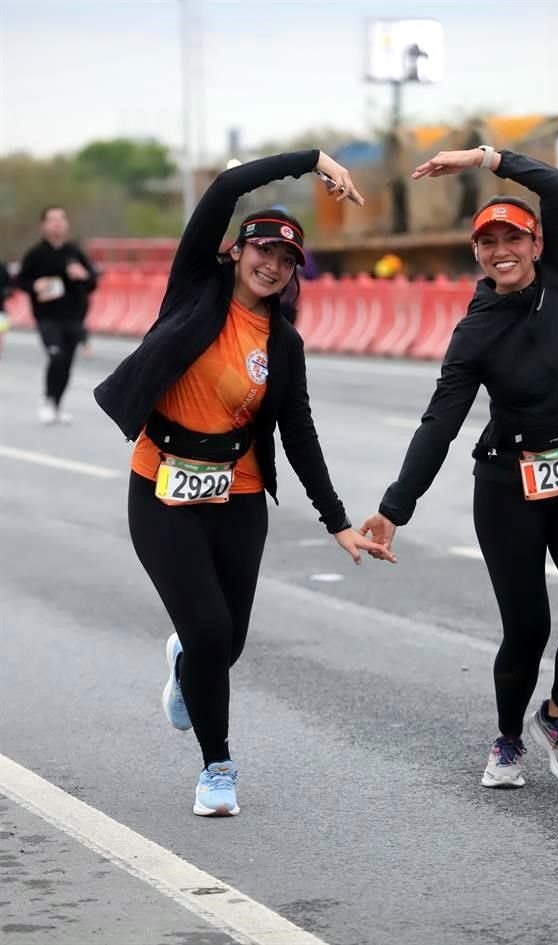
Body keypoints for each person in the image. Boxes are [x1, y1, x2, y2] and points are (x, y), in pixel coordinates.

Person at [94, 149, 396, 818]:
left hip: (239, 494)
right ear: (237, 251)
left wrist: (337, 520)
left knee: (224, 643)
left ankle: (184, 666)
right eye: (264, 249)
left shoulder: (282, 343)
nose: (274, 264)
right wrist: (314, 159)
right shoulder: (194, 286)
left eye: (287, 261)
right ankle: (217, 767)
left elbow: (300, 434)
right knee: (206, 631)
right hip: (163, 485)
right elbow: (228, 185)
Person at [361, 146, 558, 789]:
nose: (501, 248)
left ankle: (557, 716)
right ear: (476, 254)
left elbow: (556, 184)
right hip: (508, 484)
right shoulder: (473, 332)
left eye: (513, 236)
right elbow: (439, 423)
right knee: (527, 626)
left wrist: (485, 158)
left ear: (536, 244)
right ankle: (508, 742)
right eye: (488, 241)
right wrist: (396, 506)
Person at [17, 206, 98, 423]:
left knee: (67, 362)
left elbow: (93, 282)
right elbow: (20, 281)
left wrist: (83, 275)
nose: (57, 223)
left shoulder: (75, 252)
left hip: (74, 317)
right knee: (56, 355)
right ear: (43, 225)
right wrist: (36, 284)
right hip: (47, 317)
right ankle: (48, 399)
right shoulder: (35, 254)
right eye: (52, 219)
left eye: (61, 219)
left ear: (67, 223)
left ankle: (57, 404)